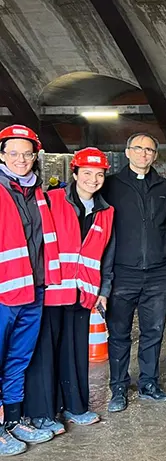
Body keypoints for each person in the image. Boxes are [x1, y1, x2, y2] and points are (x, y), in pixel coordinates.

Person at [23, 148, 115, 436]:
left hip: (82, 292)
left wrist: (104, 289)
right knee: (45, 353)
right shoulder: (50, 200)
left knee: (75, 352)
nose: (93, 179)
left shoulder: (106, 211)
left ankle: (75, 406)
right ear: (74, 174)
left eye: (99, 174)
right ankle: (42, 413)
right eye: (86, 173)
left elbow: (107, 254)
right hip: (51, 290)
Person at [103, 132, 166, 411]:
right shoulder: (110, 185)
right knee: (119, 333)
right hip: (123, 272)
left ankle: (149, 383)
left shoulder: (165, 187)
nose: (144, 154)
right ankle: (119, 387)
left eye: (149, 150)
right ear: (127, 152)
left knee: (154, 331)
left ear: (155, 156)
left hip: (159, 274)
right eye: (138, 148)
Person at [0, 125, 62, 453]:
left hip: (32, 288)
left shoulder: (35, 191)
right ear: (1, 155)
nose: (21, 159)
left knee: (18, 358)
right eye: (14, 153)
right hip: (3, 293)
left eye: (27, 154)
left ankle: (12, 420)